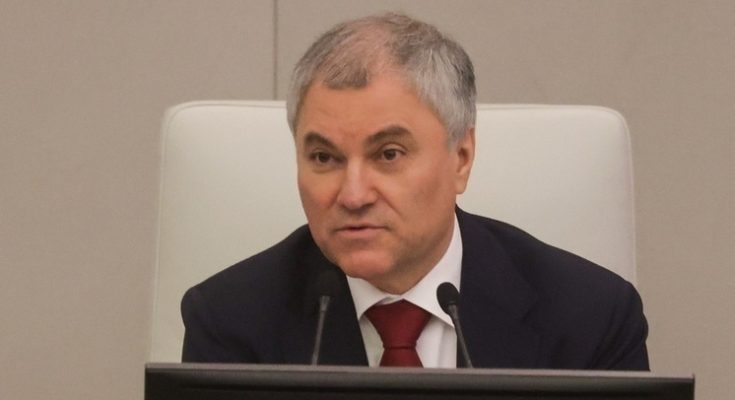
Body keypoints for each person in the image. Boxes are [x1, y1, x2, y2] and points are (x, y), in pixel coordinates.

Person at [181, 12, 649, 370]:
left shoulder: (590, 319)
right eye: (324, 158)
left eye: (388, 154)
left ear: (461, 158)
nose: (354, 195)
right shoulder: (230, 323)